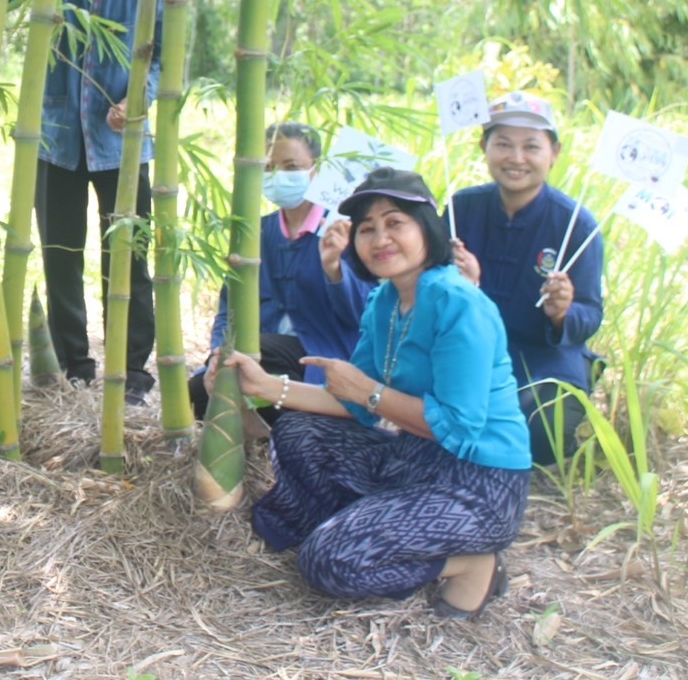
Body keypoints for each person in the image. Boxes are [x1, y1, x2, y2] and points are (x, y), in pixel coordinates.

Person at [221, 168, 532, 618]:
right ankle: (369, 526)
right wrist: (268, 387)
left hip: (479, 483)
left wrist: (368, 392)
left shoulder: (459, 303)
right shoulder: (384, 300)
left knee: (328, 561)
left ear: (427, 228)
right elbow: (352, 403)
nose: (379, 237)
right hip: (412, 458)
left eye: (395, 223)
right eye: (366, 228)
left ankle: (471, 563)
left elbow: (458, 428)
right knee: (298, 430)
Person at [10, 0, 163, 404]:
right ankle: (75, 368)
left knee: (129, 256)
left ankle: (133, 372)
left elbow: (169, 57)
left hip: (122, 145)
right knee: (60, 255)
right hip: (54, 137)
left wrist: (138, 99)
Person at [449, 91, 605, 466]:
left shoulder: (577, 225)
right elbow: (428, 285)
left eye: (531, 147)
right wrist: (461, 285)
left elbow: (591, 313)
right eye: (503, 144)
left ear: (554, 153)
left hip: (543, 360)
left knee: (541, 429)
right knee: (443, 425)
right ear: (484, 146)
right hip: (472, 351)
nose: (516, 159)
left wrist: (562, 311)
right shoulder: (461, 208)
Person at [189, 122, 370, 418]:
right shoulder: (257, 231)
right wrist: (216, 355)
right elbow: (228, 308)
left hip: (318, 360)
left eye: (291, 166)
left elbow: (362, 314)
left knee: (254, 358)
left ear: (318, 170)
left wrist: (335, 269)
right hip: (262, 362)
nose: (277, 176)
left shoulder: (341, 230)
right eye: (269, 167)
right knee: (197, 395)